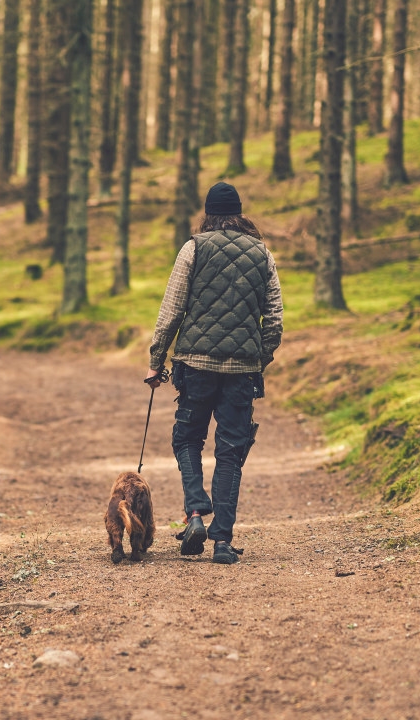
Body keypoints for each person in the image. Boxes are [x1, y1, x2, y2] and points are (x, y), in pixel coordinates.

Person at [145, 182, 283, 565]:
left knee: (187, 437)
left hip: (194, 363)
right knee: (231, 451)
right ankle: (222, 540)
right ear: (240, 213)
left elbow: (171, 309)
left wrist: (158, 359)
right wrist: (260, 358)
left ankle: (194, 513)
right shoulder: (262, 253)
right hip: (242, 370)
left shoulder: (193, 248)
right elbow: (274, 318)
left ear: (208, 213)